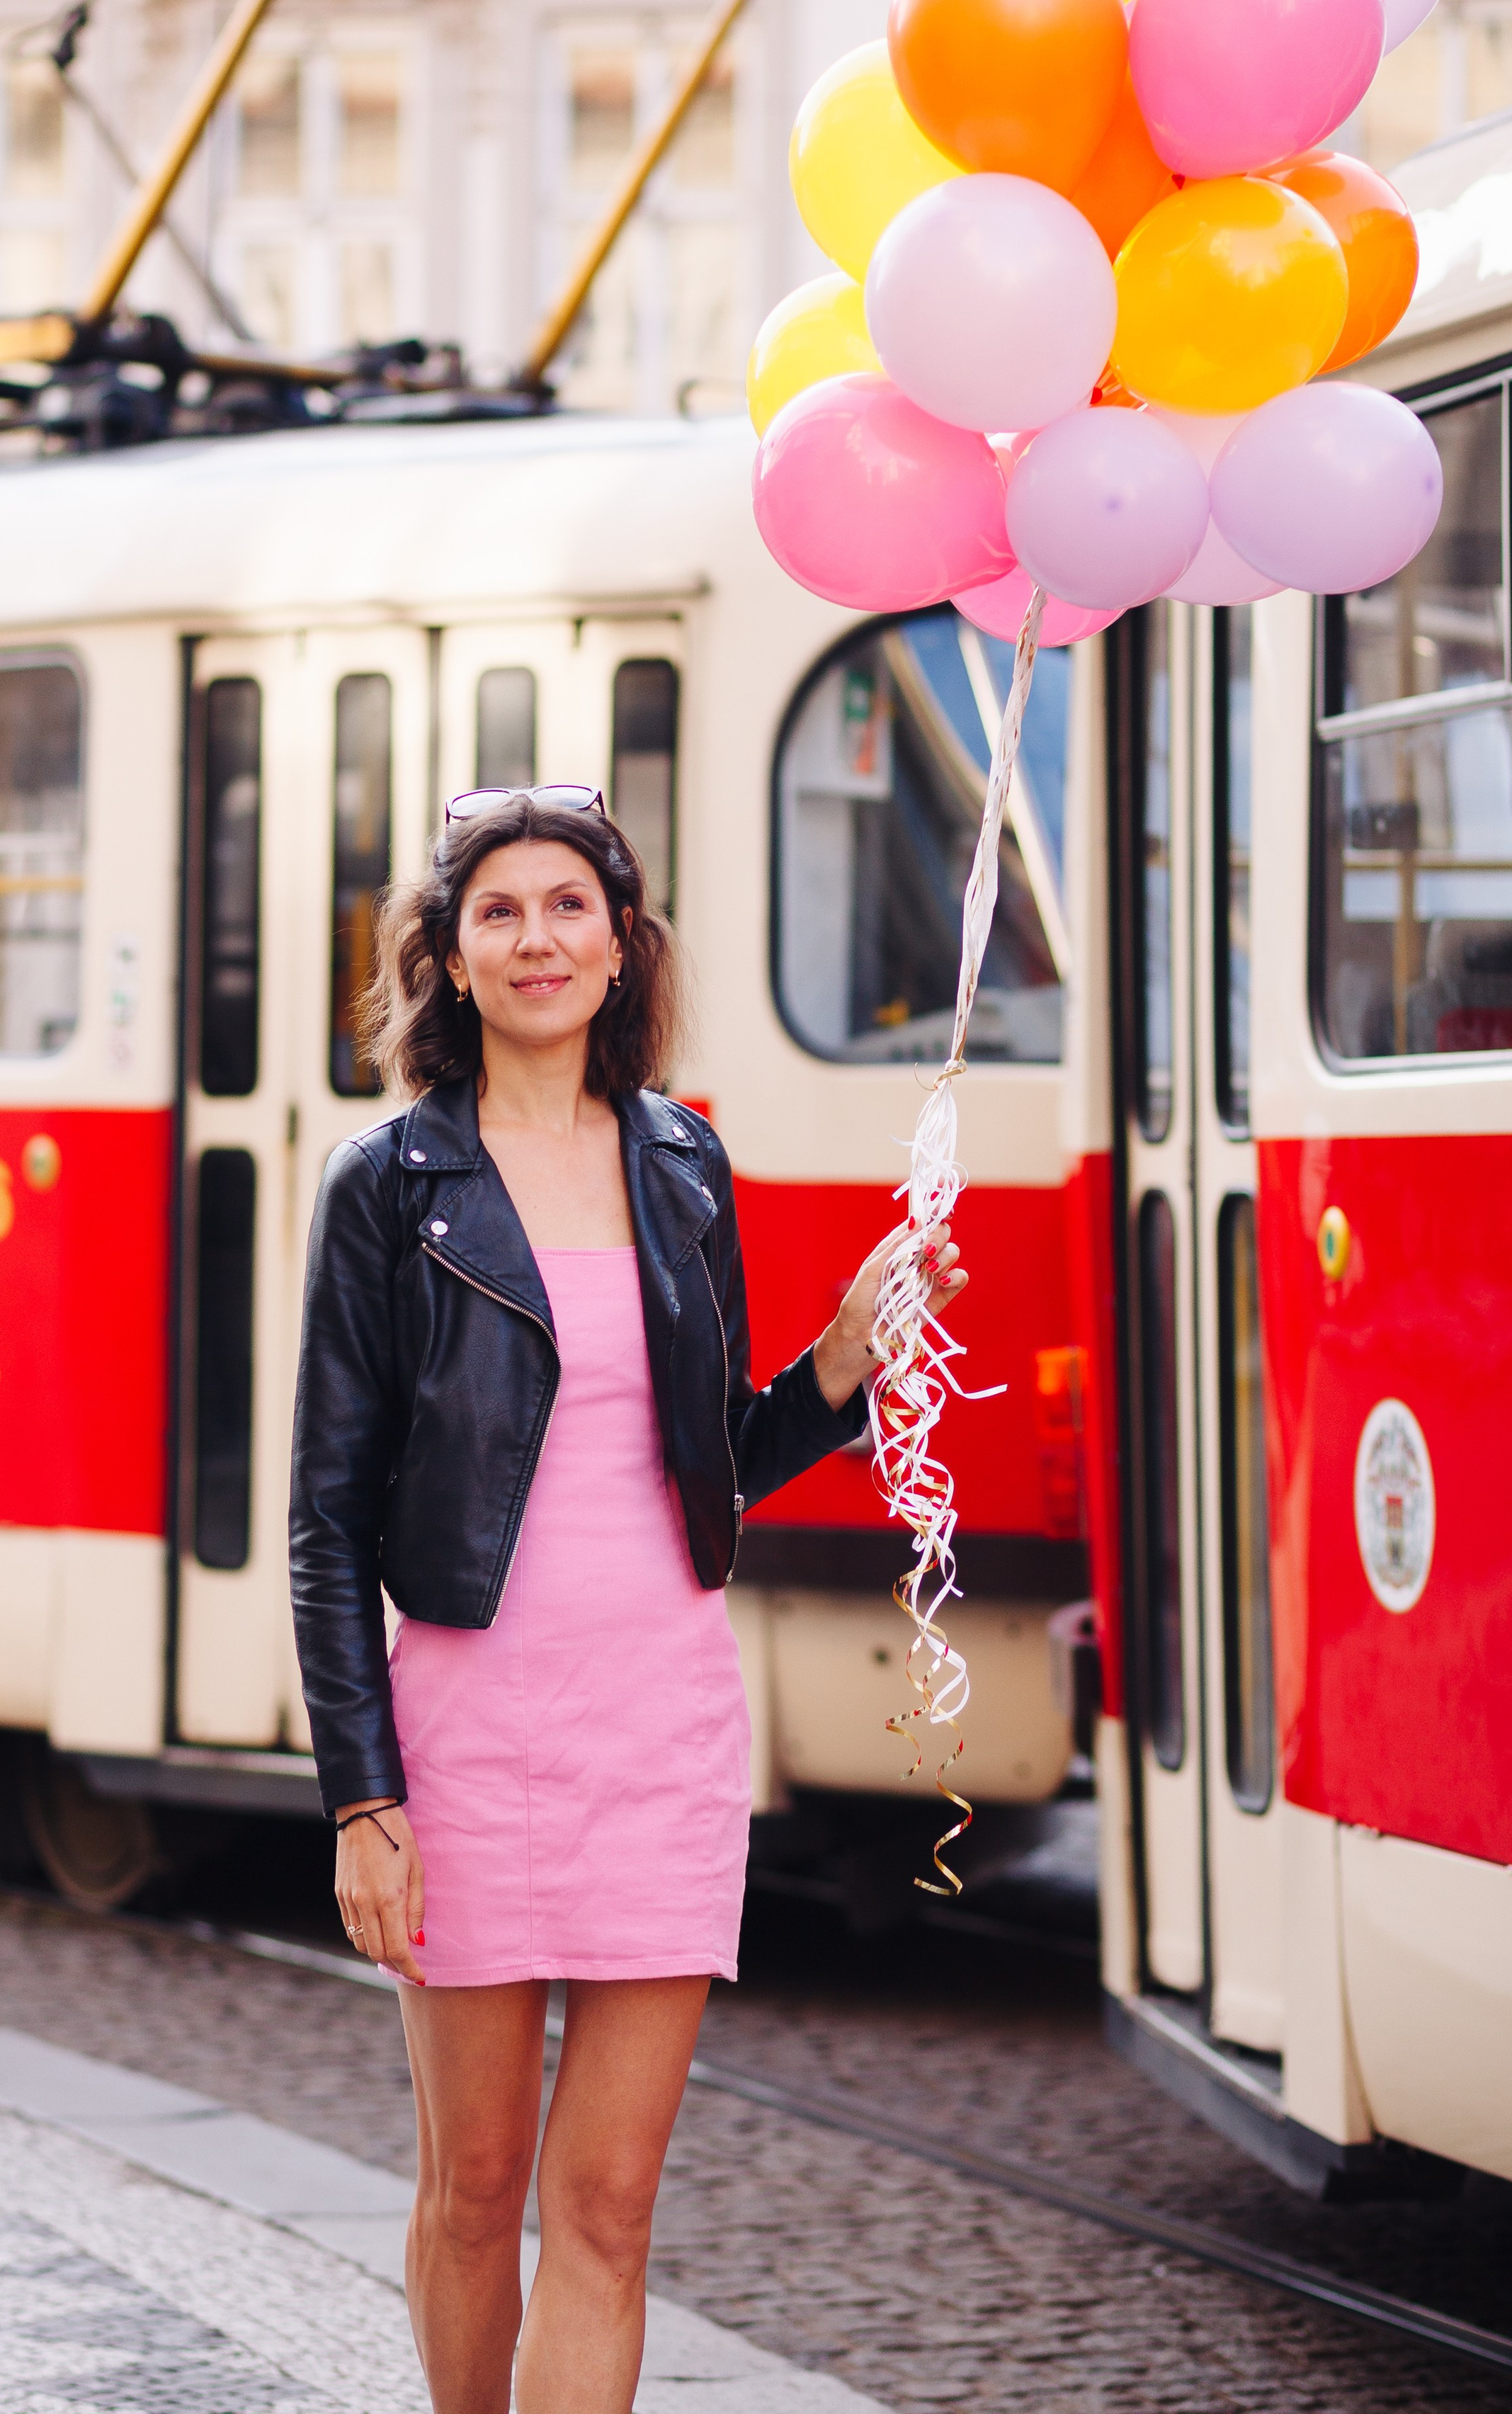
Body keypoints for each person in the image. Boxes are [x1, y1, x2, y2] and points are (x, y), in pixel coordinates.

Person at [288, 786, 965, 2414]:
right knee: (475, 2195)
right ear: (448, 958)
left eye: (569, 908)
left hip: (660, 1726)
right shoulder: (389, 1187)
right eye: (501, 912)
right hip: (468, 1729)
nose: (538, 939)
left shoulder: (682, 1162)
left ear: (618, 943)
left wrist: (841, 1360)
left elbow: (708, 1454)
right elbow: (324, 1515)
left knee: (605, 2207)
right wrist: (361, 1801)